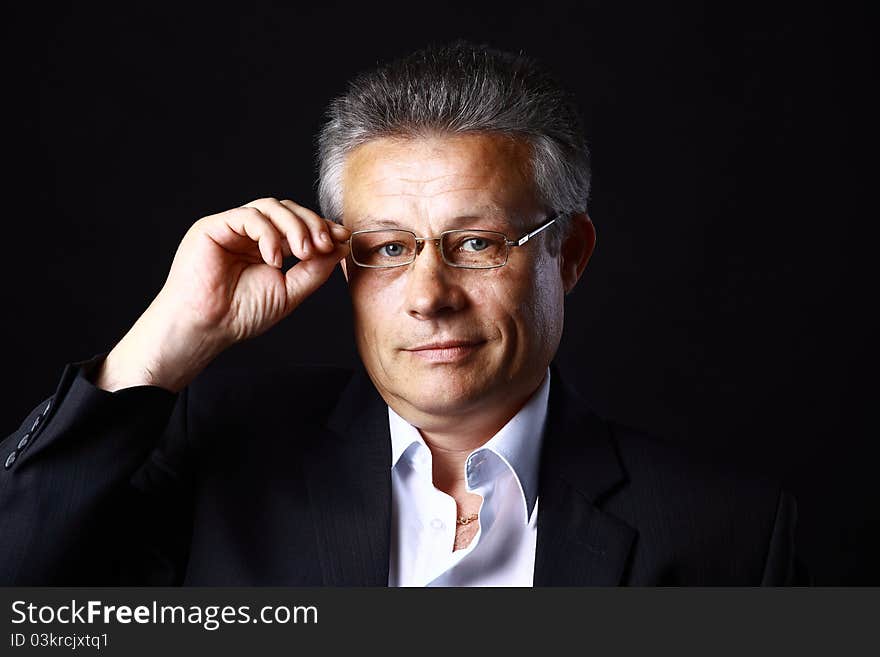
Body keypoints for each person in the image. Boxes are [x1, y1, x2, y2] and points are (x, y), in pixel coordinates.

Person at [0, 41, 805, 586]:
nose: (428, 295)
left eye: (478, 242)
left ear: (569, 251)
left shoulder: (729, 534)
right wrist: (162, 343)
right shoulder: (216, 457)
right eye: (387, 248)